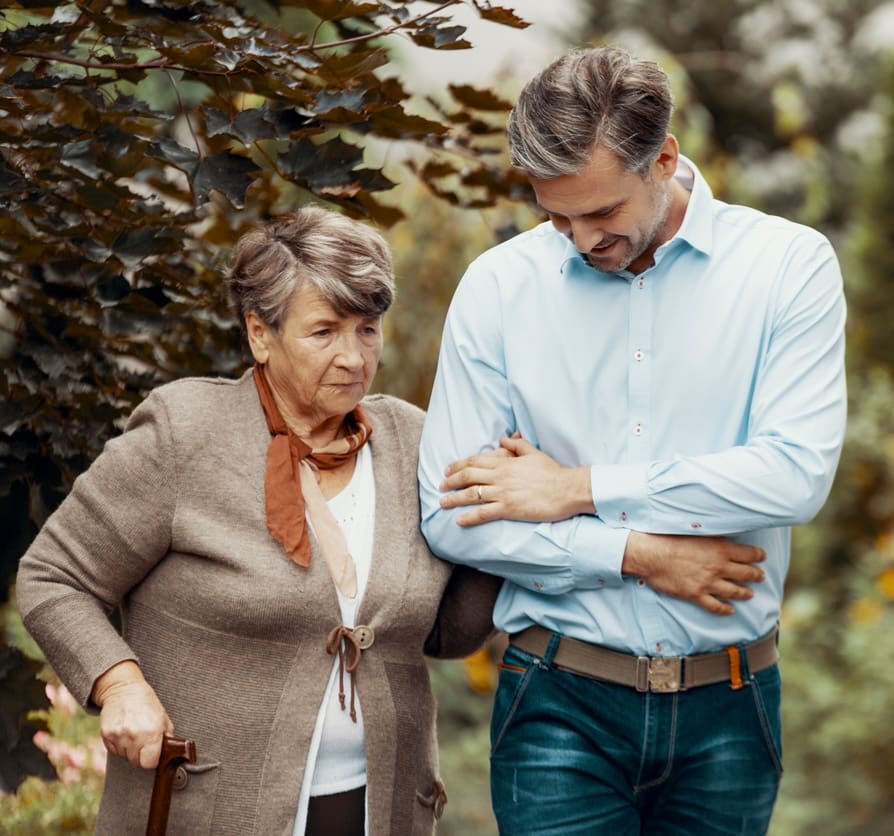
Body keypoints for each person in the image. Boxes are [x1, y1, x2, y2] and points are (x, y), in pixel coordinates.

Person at [418, 44, 847, 836]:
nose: (581, 239)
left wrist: (575, 488)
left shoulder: (788, 267)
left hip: (731, 709)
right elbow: (453, 514)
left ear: (665, 159)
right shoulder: (500, 288)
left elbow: (794, 475)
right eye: (558, 216)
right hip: (557, 698)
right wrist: (637, 554)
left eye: (603, 213)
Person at [16, 205, 501, 836]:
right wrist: (119, 683)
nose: (353, 357)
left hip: (378, 812)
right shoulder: (185, 434)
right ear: (260, 334)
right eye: (324, 331)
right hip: (207, 812)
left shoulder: (413, 441)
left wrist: (502, 530)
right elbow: (55, 576)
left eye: (367, 329)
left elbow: (445, 634)